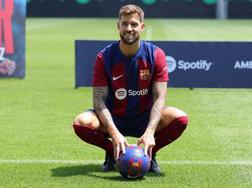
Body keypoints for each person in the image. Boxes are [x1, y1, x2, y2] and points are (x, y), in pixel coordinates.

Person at [72, 4, 189, 173]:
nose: (129, 28)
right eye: (125, 24)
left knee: (180, 118)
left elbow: (159, 98)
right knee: (81, 122)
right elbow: (99, 102)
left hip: (144, 118)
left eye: (134, 24)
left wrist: (149, 132)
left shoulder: (156, 55)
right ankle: (114, 152)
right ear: (118, 26)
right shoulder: (104, 57)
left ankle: (148, 154)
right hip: (114, 118)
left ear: (142, 27)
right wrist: (113, 133)